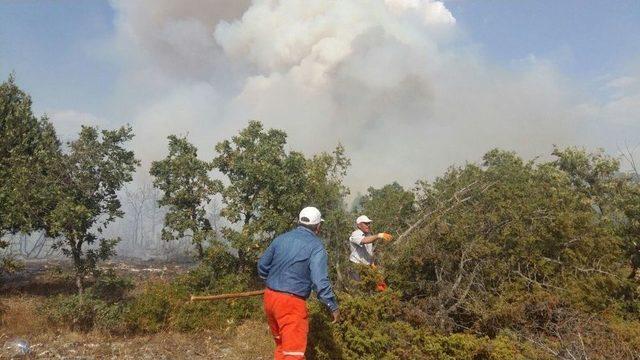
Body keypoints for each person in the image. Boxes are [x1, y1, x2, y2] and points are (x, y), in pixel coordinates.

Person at [258, 206, 339, 360]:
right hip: (291, 303)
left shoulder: (280, 239)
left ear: (299, 221)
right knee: (294, 355)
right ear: (318, 226)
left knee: (282, 347)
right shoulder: (317, 247)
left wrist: (273, 281)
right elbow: (320, 281)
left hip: (270, 298)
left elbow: (262, 266)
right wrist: (332, 306)